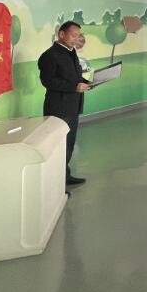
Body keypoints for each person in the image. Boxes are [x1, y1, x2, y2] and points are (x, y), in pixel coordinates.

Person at [38, 21, 92, 186]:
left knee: (68, 144)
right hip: (59, 108)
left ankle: (64, 177)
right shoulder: (50, 55)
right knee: (58, 146)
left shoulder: (71, 52)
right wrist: (74, 87)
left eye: (78, 36)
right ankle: (54, 185)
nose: (76, 39)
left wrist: (86, 82)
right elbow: (48, 81)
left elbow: (73, 76)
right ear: (61, 34)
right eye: (73, 35)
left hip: (72, 106)